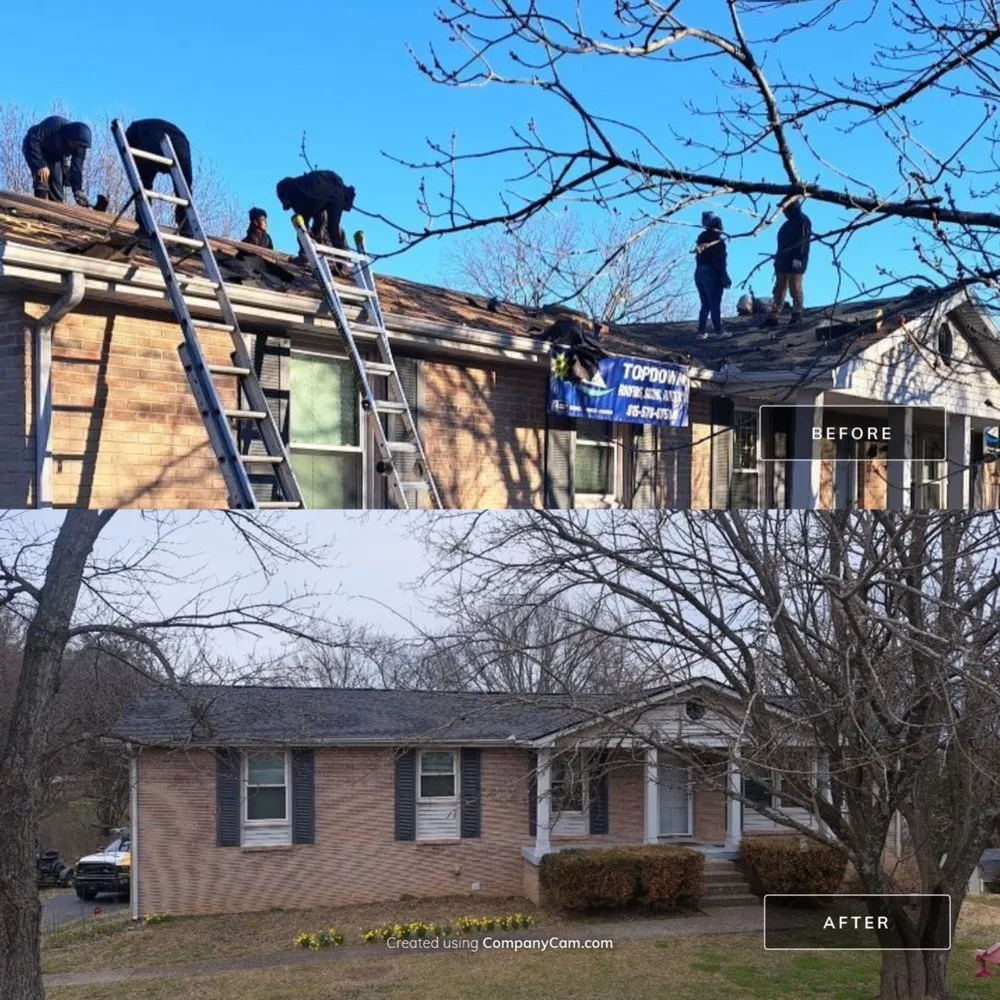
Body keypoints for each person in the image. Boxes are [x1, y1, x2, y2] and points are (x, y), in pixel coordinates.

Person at [124, 119, 194, 237]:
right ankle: (187, 231)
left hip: (153, 140)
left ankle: (144, 226)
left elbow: (129, 153)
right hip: (181, 142)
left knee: (142, 183)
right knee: (184, 189)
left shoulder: (134, 128)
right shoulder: (140, 128)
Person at [275, 171, 355, 251]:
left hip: (313, 198)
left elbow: (312, 218)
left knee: (304, 225)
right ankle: (338, 258)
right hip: (314, 197)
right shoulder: (338, 189)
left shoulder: (335, 187)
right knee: (330, 229)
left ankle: (305, 251)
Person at [22, 116, 92, 206]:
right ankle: (40, 206)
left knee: (57, 185)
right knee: (42, 177)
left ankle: (56, 210)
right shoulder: (54, 124)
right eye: (74, 144)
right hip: (34, 147)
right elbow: (33, 139)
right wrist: (40, 165)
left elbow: (76, 169)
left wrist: (77, 190)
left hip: (55, 156)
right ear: (70, 137)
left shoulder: (80, 147)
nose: (75, 148)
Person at [765, 198, 812, 326]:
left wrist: (798, 260)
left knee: (795, 289)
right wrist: (777, 261)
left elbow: (803, 242)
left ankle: (797, 313)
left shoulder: (803, 221)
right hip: (782, 263)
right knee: (778, 290)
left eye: (786, 208)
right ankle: (773, 315)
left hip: (795, 263)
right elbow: (780, 246)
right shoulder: (785, 226)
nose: (784, 212)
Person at [694, 212, 731, 339]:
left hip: (699, 272)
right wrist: (724, 275)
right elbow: (720, 261)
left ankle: (701, 331)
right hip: (711, 273)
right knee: (715, 302)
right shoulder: (718, 241)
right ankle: (718, 331)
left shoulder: (700, 240)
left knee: (705, 303)